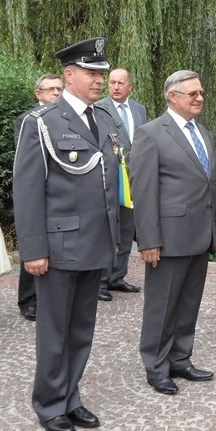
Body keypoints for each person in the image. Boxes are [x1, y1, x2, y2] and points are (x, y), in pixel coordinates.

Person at [13, 37, 119, 431]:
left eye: (102, 74)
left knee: (81, 329)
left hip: (94, 243)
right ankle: (49, 403)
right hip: (57, 247)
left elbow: (109, 183)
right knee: (55, 330)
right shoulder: (41, 122)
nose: (98, 80)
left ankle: (71, 396)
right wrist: (34, 250)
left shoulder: (104, 119)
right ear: (69, 74)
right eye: (92, 73)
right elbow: (27, 191)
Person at [130, 70, 216, 395]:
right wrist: (149, 239)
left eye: (201, 92)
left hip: (199, 236)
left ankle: (180, 358)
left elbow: (210, 185)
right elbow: (143, 191)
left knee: (188, 303)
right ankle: (156, 366)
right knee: (162, 305)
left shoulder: (204, 133)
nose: (199, 98)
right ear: (172, 96)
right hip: (167, 239)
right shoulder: (151, 134)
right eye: (192, 93)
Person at [13, 73, 63, 321]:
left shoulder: (65, 118)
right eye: (50, 89)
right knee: (34, 249)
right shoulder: (27, 120)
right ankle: (28, 300)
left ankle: (47, 299)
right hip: (37, 192)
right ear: (38, 93)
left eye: (59, 89)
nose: (56, 93)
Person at [95, 68, 146, 300]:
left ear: (130, 87)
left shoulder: (139, 110)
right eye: (112, 82)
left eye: (120, 83)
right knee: (108, 231)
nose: (115, 87)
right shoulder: (99, 109)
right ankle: (101, 282)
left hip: (134, 179)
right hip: (110, 177)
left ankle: (118, 276)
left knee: (127, 228)